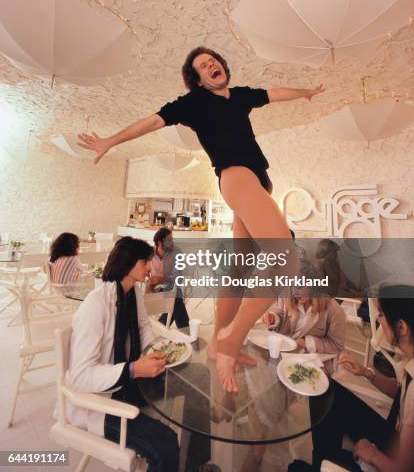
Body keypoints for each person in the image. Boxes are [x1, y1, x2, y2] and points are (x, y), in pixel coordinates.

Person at [78, 46, 325, 392]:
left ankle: (216, 348)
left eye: (214, 62)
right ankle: (230, 341)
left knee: (239, 268)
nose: (212, 66)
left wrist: (307, 93)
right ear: (197, 79)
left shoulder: (240, 97)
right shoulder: (193, 104)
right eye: (203, 66)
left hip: (257, 183)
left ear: (222, 67)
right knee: (286, 262)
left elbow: (275, 94)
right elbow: (151, 121)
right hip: (236, 177)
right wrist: (112, 140)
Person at [63, 236, 179, 472]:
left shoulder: (132, 293)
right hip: (101, 401)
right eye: (145, 262)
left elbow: (143, 327)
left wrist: (155, 353)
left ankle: (195, 463)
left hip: (129, 384)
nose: (149, 267)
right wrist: (134, 369)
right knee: (165, 444)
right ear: (129, 264)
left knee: (193, 382)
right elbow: (81, 376)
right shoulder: (95, 305)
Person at [290, 285, 414, 472]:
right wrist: (366, 373)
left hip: (394, 459)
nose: (379, 319)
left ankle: (326, 463)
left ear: (401, 327)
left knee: (295, 468)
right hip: (394, 432)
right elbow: (400, 392)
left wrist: (372, 454)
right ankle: (324, 459)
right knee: (328, 390)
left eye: (381, 314)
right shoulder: (409, 360)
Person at [262, 288, 345, 354]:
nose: (295, 291)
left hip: (308, 360)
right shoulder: (286, 294)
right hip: (279, 350)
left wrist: (306, 342)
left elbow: (337, 346)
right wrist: (273, 319)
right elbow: (281, 313)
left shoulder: (334, 310)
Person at [148, 227, 189, 328]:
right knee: (177, 300)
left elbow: (177, 276)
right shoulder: (149, 253)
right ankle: (185, 332)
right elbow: (143, 271)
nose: (172, 243)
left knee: (174, 296)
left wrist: (160, 279)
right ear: (159, 243)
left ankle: (160, 326)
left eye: (172, 239)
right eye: (169, 240)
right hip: (154, 290)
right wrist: (150, 281)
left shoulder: (177, 252)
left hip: (171, 287)